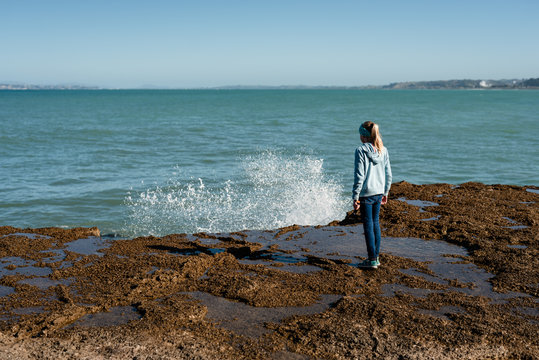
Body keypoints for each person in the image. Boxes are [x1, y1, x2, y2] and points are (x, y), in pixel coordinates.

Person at [353, 121, 392, 269]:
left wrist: (355, 196)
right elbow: (389, 174)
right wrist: (386, 192)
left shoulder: (360, 150)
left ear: (363, 136)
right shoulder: (383, 150)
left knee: (368, 225)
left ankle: (372, 260)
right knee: (375, 223)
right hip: (379, 192)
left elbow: (359, 176)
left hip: (366, 194)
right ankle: (376, 256)